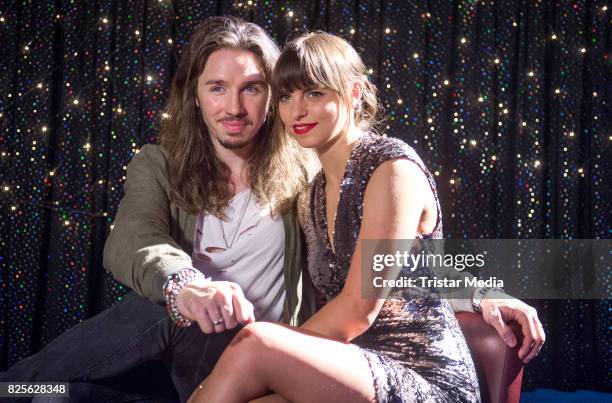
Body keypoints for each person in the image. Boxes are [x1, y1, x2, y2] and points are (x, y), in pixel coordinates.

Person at [2, 17, 543, 403]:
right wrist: (185, 287)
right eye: (217, 88)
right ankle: (23, 387)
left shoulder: (309, 168)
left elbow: (398, 252)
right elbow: (131, 241)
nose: (234, 107)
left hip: (284, 343)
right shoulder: (160, 163)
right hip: (196, 337)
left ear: (270, 94)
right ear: (195, 95)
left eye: (253, 89)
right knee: (154, 308)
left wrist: (481, 287)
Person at [188, 32, 545, 403]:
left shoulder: (391, 169)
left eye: (314, 93)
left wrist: (277, 350)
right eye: (285, 96)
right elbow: (422, 269)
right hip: (354, 367)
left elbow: (359, 310)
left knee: (257, 341)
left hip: (422, 377)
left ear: (355, 92)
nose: (297, 111)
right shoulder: (311, 195)